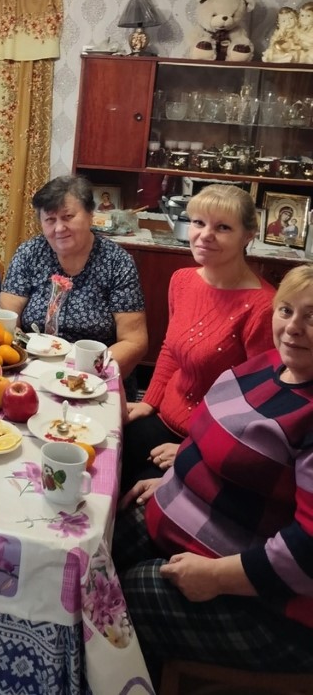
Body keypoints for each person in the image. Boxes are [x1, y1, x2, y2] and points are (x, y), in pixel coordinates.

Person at [115, 264, 313, 686]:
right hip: (207, 533)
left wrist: (216, 578)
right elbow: (218, 435)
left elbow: (308, 550)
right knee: (100, 546)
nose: (294, 327)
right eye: (286, 311)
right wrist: (176, 479)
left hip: (278, 608)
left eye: (312, 317)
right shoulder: (270, 365)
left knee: (122, 597)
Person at [122, 184, 275, 490]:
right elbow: (170, 349)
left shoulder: (263, 308)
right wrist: (149, 402)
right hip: (163, 417)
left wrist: (194, 452)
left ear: (248, 235)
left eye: (223, 227)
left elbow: (258, 404)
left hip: (212, 443)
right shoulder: (182, 281)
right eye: (198, 223)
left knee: (131, 500)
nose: (205, 235)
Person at [0, 175, 147, 380]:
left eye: (68, 217)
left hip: (94, 375)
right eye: (50, 220)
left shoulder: (117, 263)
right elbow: (6, 322)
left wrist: (83, 374)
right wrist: (31, 357)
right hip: (33, 367)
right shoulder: (29, 254)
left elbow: (134, 341)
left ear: (90, 215)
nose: (59, 228)